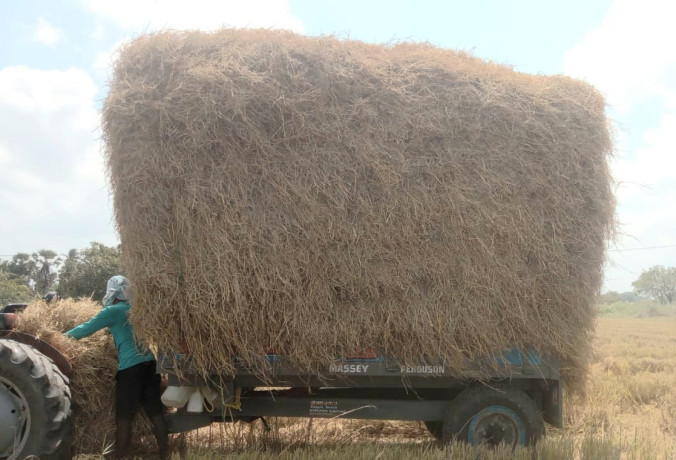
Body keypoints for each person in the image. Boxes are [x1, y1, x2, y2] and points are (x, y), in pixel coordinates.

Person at [65, 275, 168, 459]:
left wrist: (60, 338)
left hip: (131, 370)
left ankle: (119, 456)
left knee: (124, 417)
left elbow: (85, 329)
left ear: (111, 291)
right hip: (151, 366)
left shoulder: (113, 311)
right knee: (156, 413)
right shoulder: (138, 310)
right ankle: (165, 455)